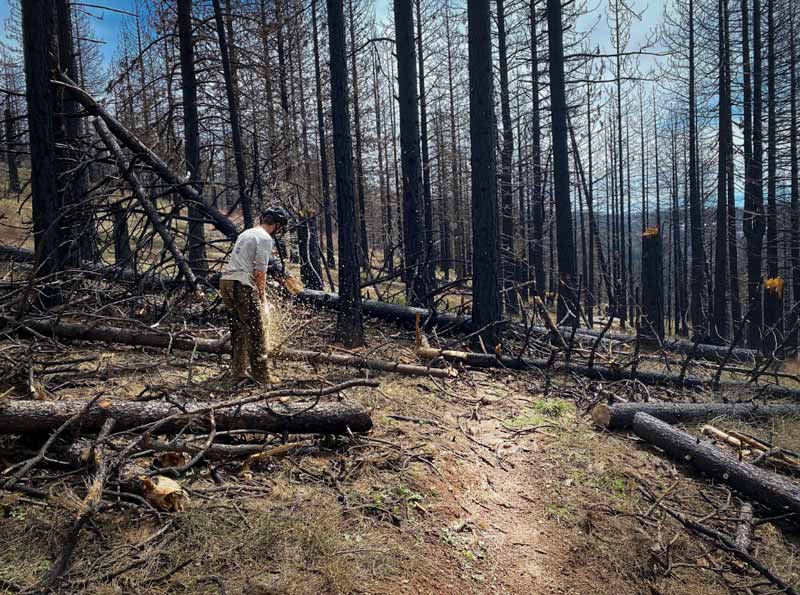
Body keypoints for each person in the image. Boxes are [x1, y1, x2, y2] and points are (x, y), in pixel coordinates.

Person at [219, 206, 292, 383]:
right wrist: (262, 295)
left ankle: (238, 373)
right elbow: (260, 272)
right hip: (241, 284)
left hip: (226, 282)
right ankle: (263, 378)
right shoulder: (266, 239)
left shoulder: (247, 233)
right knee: (256, 331)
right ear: (276, 225)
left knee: (238, 331)